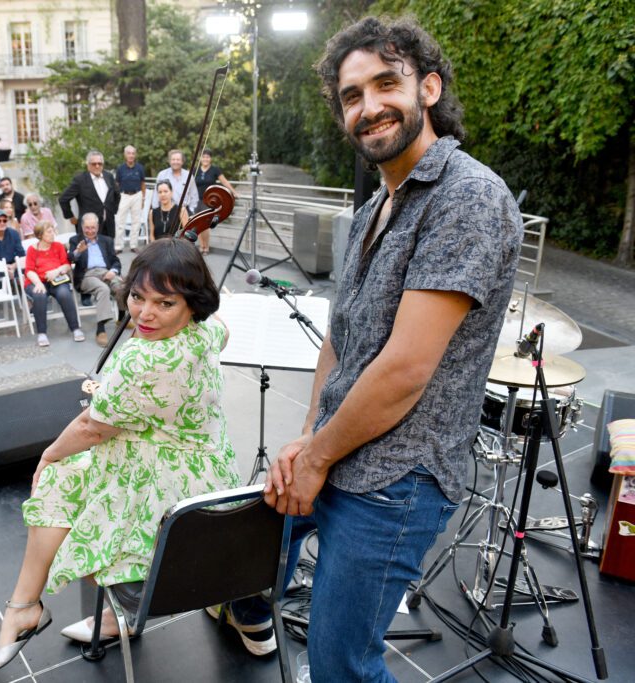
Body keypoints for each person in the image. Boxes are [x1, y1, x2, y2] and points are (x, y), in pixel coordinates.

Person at [215, 18, 523, 678]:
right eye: (352, 95)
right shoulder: (370, 211)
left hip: (396, 478)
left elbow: (407, 368)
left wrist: (316, 456)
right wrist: (306, 437)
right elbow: (340, 334)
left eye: (387, 83)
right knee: (233, 560)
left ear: (429, 88)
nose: (369, 105)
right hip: (336, 446)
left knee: (340, 663)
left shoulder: (468, 197)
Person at [0, 238, 240, 678]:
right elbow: (221, 331)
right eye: (138, 297)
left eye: (165, 303)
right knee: (84, 472)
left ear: (191, 304)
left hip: (175, 499)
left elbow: (91, 428)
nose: (145, 314)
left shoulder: (143, 357)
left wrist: (47, 454)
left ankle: (27, 607)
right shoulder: (206, 331)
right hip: (213, 475)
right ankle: (62, 611)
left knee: (62, 475)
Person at [67, 213, 124, 347]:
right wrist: (78, 252)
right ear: (82, 227)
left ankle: (121, 319)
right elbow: (70, 258)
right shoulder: (76, 240)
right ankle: (101, 330)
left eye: (93, 227)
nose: (90, 231)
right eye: (87, 228)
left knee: (121, 286)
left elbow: (116, 261)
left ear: (98, 227)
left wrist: (113, 271)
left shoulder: (107, 240)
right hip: (87, 275)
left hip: (105, 272)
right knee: (103, 289)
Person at [23, 222, 83, 348]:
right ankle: (42, 333)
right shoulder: (32, 249)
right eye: (49, 232)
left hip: (57, 279)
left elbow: (67, 265)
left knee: (64, 293)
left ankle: (75, 328)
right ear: (40, 235)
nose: (53, 234)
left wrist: (56, 271)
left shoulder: (58, 246)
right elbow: (29, 270)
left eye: (53, 231)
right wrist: (38, 283)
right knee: (39, 294)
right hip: (36, 281)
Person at [58, 150, 119, 240]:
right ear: (88, 165)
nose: (97, 166)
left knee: (108, 252)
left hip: (108, 225)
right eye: (94, 164)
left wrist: (113, 210)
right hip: (89, 228)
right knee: (89, 253)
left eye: (100, 163)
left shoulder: (108, 176)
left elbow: (116, 194)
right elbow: (63, 199)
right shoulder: (80, 180)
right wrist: (70, 216)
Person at [193, 149, 236, 255]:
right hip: (195, 200)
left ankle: (206, 246)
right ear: (200, 158)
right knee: (197, 223)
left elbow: (224, 181)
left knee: (205, 224)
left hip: (209, 201)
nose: (205, 159)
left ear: (210, 159)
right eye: (203, 157)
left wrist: (234, 192)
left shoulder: (214, 169)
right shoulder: (196, 169)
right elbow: (189, 183)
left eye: (207, 157)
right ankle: (201, 245)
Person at [113, 145, 146, 253]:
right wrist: (116, 198)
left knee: (136, 221)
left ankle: (133, 245)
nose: (131, 155)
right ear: (125, 155)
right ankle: (118, 246)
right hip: (123, 196)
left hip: (137, 195)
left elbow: (143, 183)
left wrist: (143, 199)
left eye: (133, 153)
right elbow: (117, 184)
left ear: (135, 155)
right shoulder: (120, 168)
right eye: (129, 153)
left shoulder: (140, 168)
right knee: (120, 221)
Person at [152, 149, 198, 218]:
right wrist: (156, 211)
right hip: (166, 211)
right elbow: (156, 195)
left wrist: (191, 211)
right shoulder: (162, 175)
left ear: (182, 161)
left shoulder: (189, 176)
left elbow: (194, 195)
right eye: (173, 159)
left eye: (178, 160)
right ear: (169, 161)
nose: (175, 162)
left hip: (184, 212)